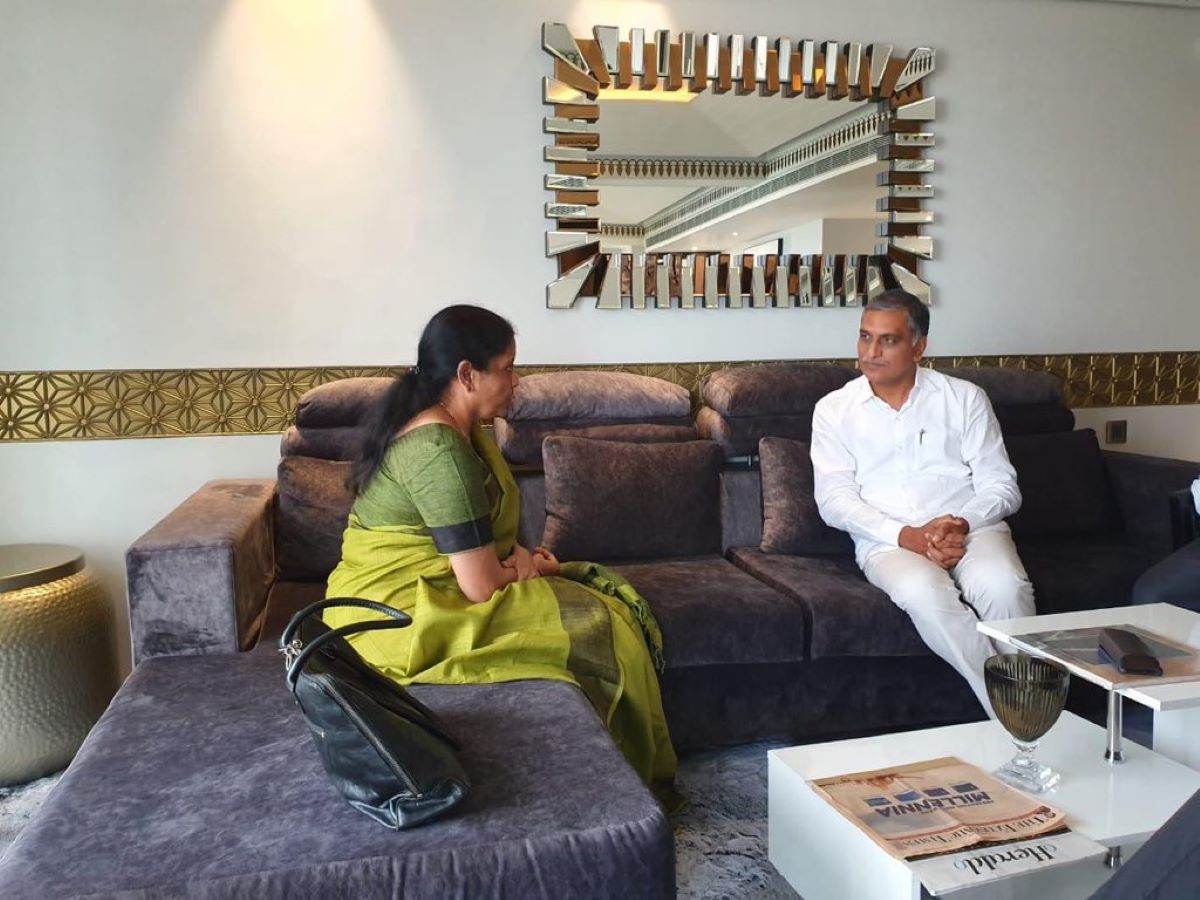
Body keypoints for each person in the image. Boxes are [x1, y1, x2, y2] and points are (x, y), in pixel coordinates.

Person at [323, 304, 676, 790]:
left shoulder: (453, 427)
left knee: (605, 601)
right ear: (467, 374)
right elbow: (481, 585)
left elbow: (482, 542)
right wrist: (529, 567)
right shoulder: (438, 449)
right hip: (396, 609)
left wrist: (529, 562)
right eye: (508, 368)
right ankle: (617, 785)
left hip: (435, 584)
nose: (516, 381)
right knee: (602, 624)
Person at [810, 289, 1035, 717]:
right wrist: (906, 535)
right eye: (864, 337)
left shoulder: (965, 398)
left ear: (919, 346)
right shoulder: (834, 410)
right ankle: (1022, 715)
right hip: (887, 540)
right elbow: (834, 501)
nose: (870, 352)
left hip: (972, 529)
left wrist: (961, 523)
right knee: (926, 594)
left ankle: (1024, 718)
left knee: (1006, 587)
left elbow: (1002, 485)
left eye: (887, 340)